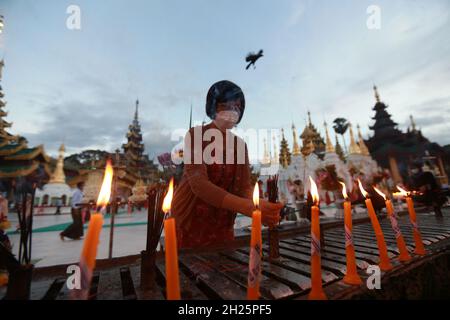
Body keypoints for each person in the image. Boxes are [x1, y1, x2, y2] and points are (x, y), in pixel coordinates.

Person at [171, 80, 282, 249]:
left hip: (223, 222)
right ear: (214, 107)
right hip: (190, 220)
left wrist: (260, 205)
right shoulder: (196, 135)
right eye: (228, 105)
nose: (234, 111)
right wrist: (247, 207)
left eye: (238, 107)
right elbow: (199, 184)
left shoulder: (240, 145)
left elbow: (243, 188)